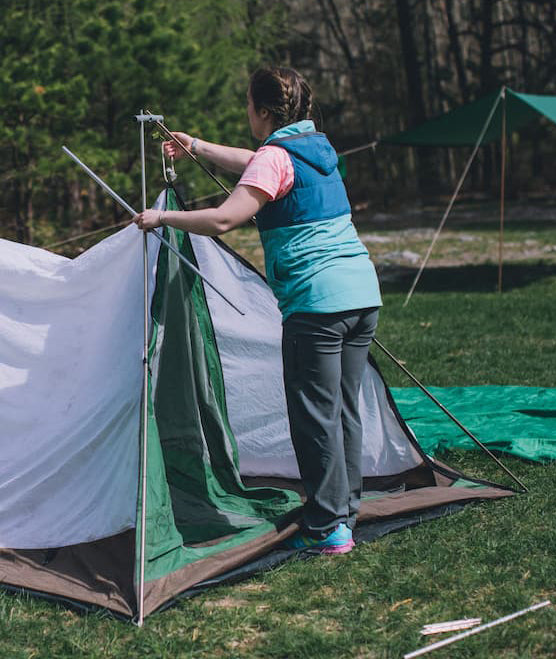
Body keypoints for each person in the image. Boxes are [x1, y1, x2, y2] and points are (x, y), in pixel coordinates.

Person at [133, 66, 382, 554]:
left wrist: (161, 217)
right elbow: (255, 162)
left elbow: (226, 218)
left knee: (315, 417)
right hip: (362, 296)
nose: (247, 113)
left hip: (317, 305)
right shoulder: (315, 149)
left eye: (248, 105)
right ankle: (345, 511)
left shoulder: (276, 157)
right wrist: (197, 146)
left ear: (264, 111)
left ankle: (328, 526)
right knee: (345, 410)